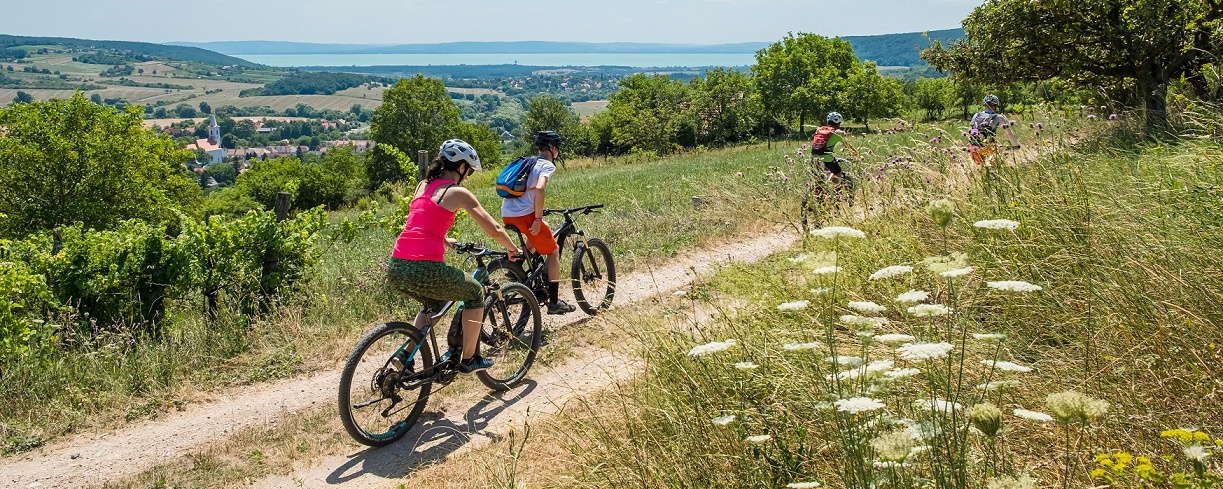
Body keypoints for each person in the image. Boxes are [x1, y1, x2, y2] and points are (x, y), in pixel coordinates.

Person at [388, 139, 522, 374]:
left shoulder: (423, 186)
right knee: (475, 292)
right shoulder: (457, 192)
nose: (468, 176)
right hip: (424, 268)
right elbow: (494, 229)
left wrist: (444, 240)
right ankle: (470, 359)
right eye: (468, 170)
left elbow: (419, 224)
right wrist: (512, 248)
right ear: (460, 167)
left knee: (435, 305)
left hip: (397, 265)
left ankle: (405, 355)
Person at [501, 130, 577, 315]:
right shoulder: (546, 165)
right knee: (553, 251)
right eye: (557, 148)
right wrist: (537, 218)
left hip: (507, 214)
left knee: (539, 233)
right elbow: (540, 187)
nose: (558, 152)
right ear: (552, 148)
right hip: (525, 216)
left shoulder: (528, 161)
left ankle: (517, 267)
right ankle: (554, 302)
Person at [968, 94, 1020, 166]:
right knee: (996, 158)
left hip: (974, 146)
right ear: (996, 106)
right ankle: (990, 167)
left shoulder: (976, 115)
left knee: (979, 167)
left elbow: (970, 130)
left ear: (985, 105)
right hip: (988, 146)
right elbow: (1009, 133)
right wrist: (1015, 146)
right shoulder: (998, 117)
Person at [811, 112, 860, 185]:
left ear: (828, 122)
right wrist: (857, 155)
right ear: (838, 123)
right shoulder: (838, 132)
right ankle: (833, 190)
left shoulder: (819, 130)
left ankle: (821, 190)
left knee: (819, 179)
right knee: (837, 171)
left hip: (813, 157)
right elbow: (849, 147)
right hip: (827, 157)